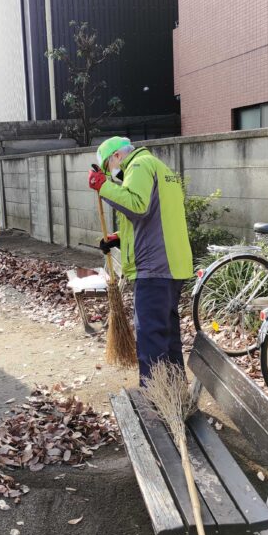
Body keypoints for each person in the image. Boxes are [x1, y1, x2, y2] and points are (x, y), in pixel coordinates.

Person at [88, 136, 193, 382]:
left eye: (108, 167)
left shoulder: (137, 165)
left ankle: (155, 400)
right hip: (172, 264)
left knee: (150, 338)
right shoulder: (160, 167)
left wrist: (103, 186)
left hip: (153, 267)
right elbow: (155, 220)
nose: (111, 173)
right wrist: (119, 238)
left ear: (116, 156)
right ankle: (175, 391)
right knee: (167, 334)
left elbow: (137, 206)